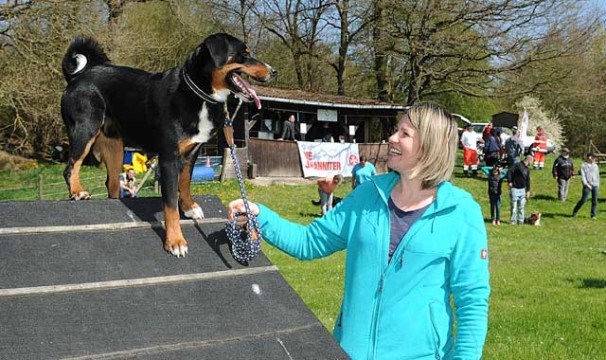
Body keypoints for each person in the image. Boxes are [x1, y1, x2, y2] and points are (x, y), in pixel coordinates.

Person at [227, 103, 490, 359]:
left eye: (405, 133)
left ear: (428, 147)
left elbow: (472, 301)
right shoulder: (368, 195)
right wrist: (260, 215)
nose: (392, 138)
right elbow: (308, 242)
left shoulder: (461, 212)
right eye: (396, 130)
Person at [572, 152, 600, 219]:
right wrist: (586, 184)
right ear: (589, 157)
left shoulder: (595, 166)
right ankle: (575, 211)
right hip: (587, 185)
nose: (594, 159)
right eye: (593, 157)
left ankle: (593, 215)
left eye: (595, 157)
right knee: (584, 199)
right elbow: (583, 176)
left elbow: (597, 175)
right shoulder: (583, 165)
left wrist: (597, 184)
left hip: (595, 184)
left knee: (594, 201)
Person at [507, 154, 532, 225]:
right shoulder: (517, 165)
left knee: (521, 207)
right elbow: (509, 171)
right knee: (514, 207)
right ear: (528, 160)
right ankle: (513, 221)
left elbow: (528, 180)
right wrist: (509, 181)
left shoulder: (527, 169)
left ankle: (521, 221)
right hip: (515, 188)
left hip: (523, 190)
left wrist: (528, 190)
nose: (531, 163)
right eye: (531, 161)